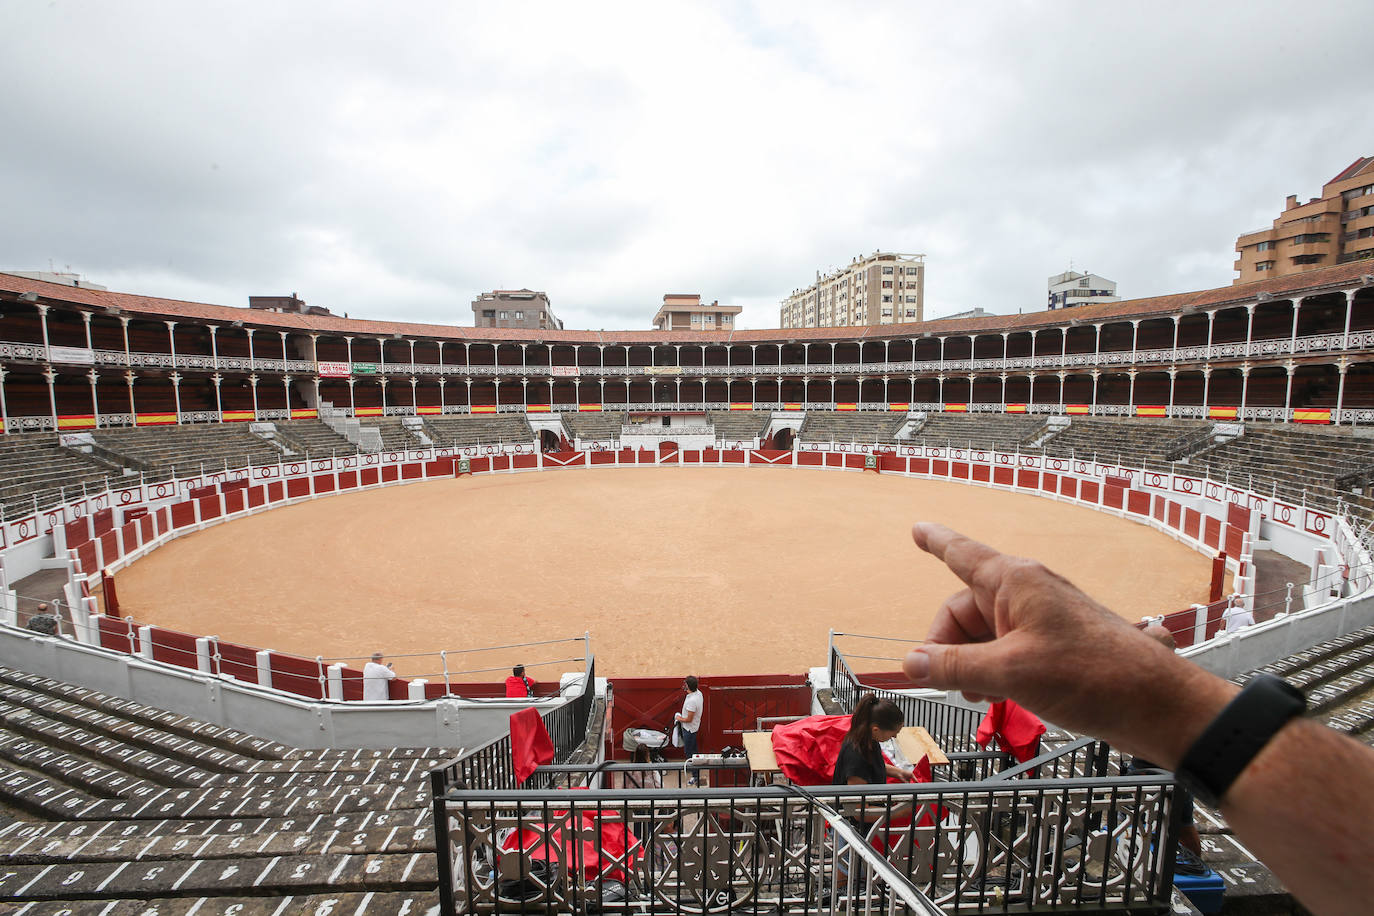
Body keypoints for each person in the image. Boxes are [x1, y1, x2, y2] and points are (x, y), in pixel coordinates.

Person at [902, 522, 1374, 916]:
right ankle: (1174, 861)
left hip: (1165, 769)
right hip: (1179, 765)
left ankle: (1175, 859)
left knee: (1165, 812)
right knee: (1163, 813)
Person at [1128, 625, 1203, 858]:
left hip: (1157, 766)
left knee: (1171, 823)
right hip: (1166, 765)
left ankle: (1191, 866)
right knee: (1178, 824)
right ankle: (1192, 866)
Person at [832, 694, 915, 786]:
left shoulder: (867, 739)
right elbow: (858, 798)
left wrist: (899, 773)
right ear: (876, 730)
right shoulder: (856, 757)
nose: (895, 736)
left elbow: (873, 767)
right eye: (893, 734)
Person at [675, 675, 704, 785]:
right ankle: (694, 771)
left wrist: (678, 718)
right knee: (693, 751)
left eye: (686, 684)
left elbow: (688, 719)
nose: (684, 686)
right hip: (692, 728)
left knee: (690, 752)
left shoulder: (692, 700)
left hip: (689, 729)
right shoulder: (698, 693)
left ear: (689, 686)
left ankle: (695, 776)